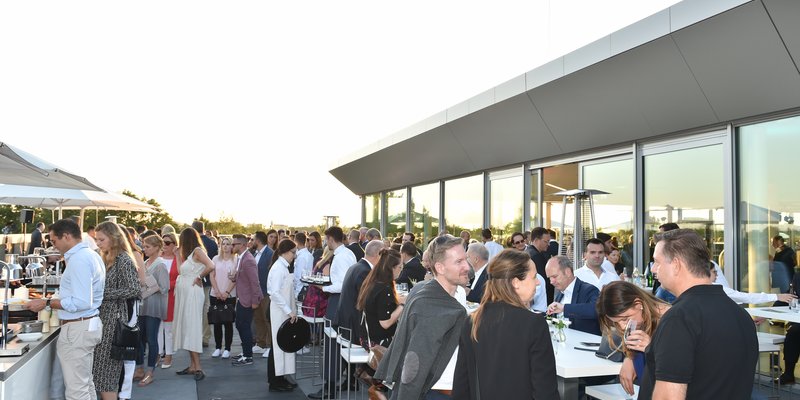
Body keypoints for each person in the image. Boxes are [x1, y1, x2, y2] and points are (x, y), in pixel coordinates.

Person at [639, 229, 758, 399]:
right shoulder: (740, 314)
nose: (653, 269)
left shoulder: (679, 318)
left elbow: (669, 396)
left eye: (656, 262)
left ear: (676, 265)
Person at [374, 234, 470, 400]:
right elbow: (414, 362)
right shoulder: (431, 305)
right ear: (440, 268)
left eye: (465, 259)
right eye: (459, 262)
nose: (467, 267)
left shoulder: (451, 292)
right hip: (434, 392)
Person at [453, 249, 558, 400]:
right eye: (534, 277)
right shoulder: (533, 324)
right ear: (515, 283)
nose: (538, 281)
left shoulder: (472, 321)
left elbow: (462, 386)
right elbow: (545, 390)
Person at [25, 219, 105, 400]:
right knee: (85, 384)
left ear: (67, 236)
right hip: (87, 324)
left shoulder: (79, 259)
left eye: (54, 241)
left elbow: (81, 301)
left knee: (77, 390)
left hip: (78, 327)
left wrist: (46, 302)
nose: (53, 246)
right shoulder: (90, 255)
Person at [92, 221, 142, 400]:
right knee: (101, 374)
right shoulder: (103, 256)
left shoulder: (123, 259)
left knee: (107, 376)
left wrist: (103, 293)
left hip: (114, 323)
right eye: (96, 239)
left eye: (101, 239)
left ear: (113, 238)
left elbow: (135, 289)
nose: (97, 243)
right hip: (103, 320)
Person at [308, 227, 358, 399]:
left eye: (325, 239)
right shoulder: (347, 254)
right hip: (340, 303)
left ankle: (329, 390)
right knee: (337, 345)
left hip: (337, 303)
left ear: (330, 239)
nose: (325, 242)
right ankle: (335, 385)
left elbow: (342, 284)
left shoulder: (342, 256)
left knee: (332, 347)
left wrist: (323, 286)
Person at [596, 281, 670, 395]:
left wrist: (651, 348)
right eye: (616, 322)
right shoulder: (640, 320)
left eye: (625, 319)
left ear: (638, 304)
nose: (622, 326)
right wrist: (629, 358)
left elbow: (678, 368)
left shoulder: (671, 320)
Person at [172, 228, 215, 381]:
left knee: (192, 328)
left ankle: (198, 367)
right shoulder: (190, 255)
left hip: (192, 293)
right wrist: (177, 256)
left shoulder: (197, 251)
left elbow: (211, 265)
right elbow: (181, 272)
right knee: (186, 327)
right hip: (185, 292)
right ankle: (192, 365)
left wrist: (199, 276)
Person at [135, 234, 170, 387]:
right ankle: (140, 368)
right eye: (144, 246)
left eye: (148, 246)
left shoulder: (160, 265)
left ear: (156, 247)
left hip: (154, 306)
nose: (144, 248)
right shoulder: (146, 262)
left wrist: (149, 285)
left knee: (151, 338)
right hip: (143, 305)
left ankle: (150, 372)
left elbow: (164, 288)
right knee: (139, 338)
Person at [266, 239, 299, 392]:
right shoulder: (279, 268)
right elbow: (274, 293)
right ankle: (275, 380)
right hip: (279, 311)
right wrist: (288, 310)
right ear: (285, 252)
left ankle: (282, 376)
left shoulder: (283, 267)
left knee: (284, 343)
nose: (295, 255)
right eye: (293, 252)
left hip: (284, 311)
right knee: (278, 345)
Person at [356, 248, 406, 347]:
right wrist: (403, 304)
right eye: (400, 267)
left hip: (367, 338)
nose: (401, 270)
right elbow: (385, 323)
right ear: (392, 268)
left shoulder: (372, 282)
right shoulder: (384, 289)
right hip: (378, 343)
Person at [545, 255, 601, 335]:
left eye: (554, 276)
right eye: (549, 278)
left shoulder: (589, 290)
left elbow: (596, 310)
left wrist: (564, 308)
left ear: (567, 272)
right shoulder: (560, 295)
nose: (551, 281)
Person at [230, 233, 262, 366]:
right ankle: (245, 352)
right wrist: (234, 278)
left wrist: (255, 301)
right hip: (242, 298)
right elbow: (244, 278)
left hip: (248, 300)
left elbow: (255, 282)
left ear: (242, 245)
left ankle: (248, 356)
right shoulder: (241, 258)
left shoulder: (248, 259)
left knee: (244, 327)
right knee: (240, 325)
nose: (232, 246)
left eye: (234, 244)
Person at [209, 236, 237, 359]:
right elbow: (211, 276)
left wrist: (226, 292)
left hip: (230, 294)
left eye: (227, 244)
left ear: (232, 246)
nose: (225, 246)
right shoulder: (215, 259)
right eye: (223, 244)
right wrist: (217, 291)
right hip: (215, 294)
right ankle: (218, 347)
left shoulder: (235, 260)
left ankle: (227, 348)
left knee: (228, 322)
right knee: (217, 322)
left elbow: (235, 279)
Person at [251, 231, 275, 357]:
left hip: (266, 292)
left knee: (267, 319)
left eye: (253, 239)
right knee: (258, 318)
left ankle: (270, 345)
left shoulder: (270, 253)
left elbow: (271, 274)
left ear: (258, 240)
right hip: (256, 292)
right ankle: (260, 344)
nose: (252, 241)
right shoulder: (255, 253)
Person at [158, 232, 179, 369]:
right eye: (162, 242)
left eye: (167, 243)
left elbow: (180, 277)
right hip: (156, 296)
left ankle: (169, 355)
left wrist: (166, 286)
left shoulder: (178, 259)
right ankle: (159, 353)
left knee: (168, 328)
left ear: (174, 245)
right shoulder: (157, 258)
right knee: (157, 328)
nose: (164, 245)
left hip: (171, 296)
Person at [527, 227, 554, 303]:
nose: (548, 244)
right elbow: (543, 280)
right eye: (546, 241)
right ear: (536, 240)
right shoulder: (536, 256)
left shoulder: (528, 252)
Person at [293, 232, 314, 299]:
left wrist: (296, 292)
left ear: (295, 241)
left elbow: (299, 276)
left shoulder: (301, 257)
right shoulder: (309, 255)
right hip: (306, 288)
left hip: (300, 290)